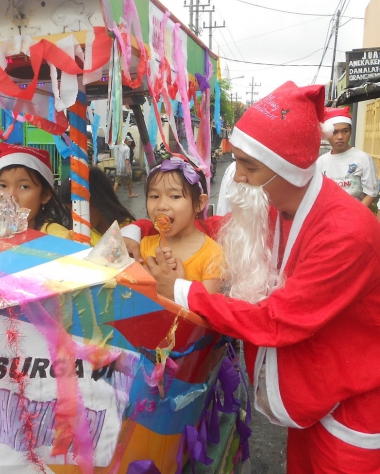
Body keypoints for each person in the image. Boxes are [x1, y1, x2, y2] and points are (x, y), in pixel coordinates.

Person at [125, 82, 380, 473]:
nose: (237, 177)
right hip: (312, 397)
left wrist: (177, 289)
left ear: (288, 168)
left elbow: (275, 320)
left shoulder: (346, 233)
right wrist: (138, 228)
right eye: (237, 162)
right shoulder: (278, 206)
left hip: (353, 410)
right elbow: (207, 227)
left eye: (249, 166)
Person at [141, 157, 223, 293]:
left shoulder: (214, 256)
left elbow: (207, 309)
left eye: (175, 196)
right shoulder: (145, 246)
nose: (161, 206)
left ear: (199, 203)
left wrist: (176, 287)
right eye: (154, 196)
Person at [0, 143, 71, 240]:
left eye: (24, 187)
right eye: (3, 186)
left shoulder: (59, 239)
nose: (12, 196)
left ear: (44, 195)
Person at [316, 106, 378, 208]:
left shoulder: (363, 158)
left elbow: (371, 193)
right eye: (334, 132)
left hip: (356, 217)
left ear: (351, 131)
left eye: (345, 131)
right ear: (327, 134)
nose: (340, 137)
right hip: (329, 218)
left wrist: (354, 214)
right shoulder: (321, 162)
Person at [60, 166, 135, 246]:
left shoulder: (130, 235)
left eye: (76, 210)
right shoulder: (79, 234)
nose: (73, 216)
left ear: (98, 201)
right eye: (70, 210)